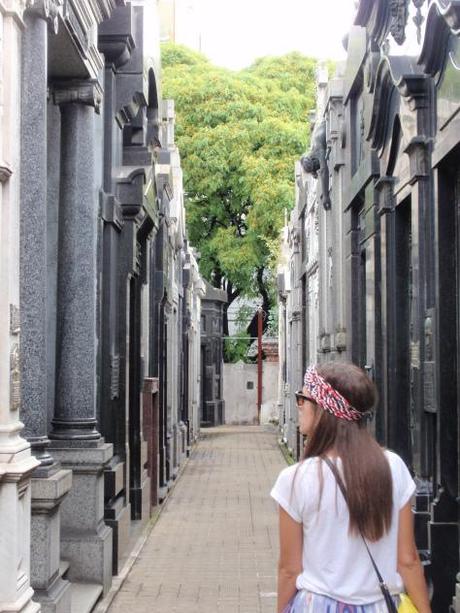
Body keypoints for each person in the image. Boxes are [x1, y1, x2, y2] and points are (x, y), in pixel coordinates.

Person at [271, 362, 431, 613]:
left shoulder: (295, 479)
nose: (298, 406)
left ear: (324, 409)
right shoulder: (393, 467)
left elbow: (290, 569)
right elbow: (408, 561)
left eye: (303, 398)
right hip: (380, 606)